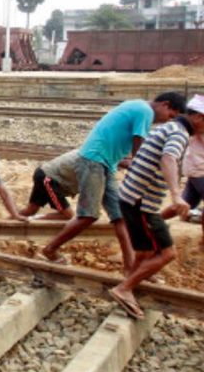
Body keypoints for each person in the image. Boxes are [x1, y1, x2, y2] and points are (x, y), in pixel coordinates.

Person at [39, 92, 186, 269]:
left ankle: (130, 268)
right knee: (88, 215)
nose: (167, 120)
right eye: (170, 115)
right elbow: (138, 148)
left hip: (106, 163)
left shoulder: (138, 106)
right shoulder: (145, 111)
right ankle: (50, 249)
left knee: (120, 218)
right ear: (165, 104)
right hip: (94, 160)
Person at [108, 96, 204, 319]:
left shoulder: (169, 127)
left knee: (146, 250)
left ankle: (131, 280)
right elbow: (168, 158)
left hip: (132, 197)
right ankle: (124, 289)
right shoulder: (179, 134)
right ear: (199, 118)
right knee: (167, 253)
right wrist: (176, 195)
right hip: (141, 202)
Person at [19, 149, 81, 221]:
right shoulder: (88, 159)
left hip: (43, 172)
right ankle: (30, 219)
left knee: (30, 210)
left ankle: (11, 219)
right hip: (48, 178)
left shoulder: (86, 152)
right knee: (69, 215)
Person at [181, 101, 204, 248]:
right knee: (183, 205)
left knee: (183, 205)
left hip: (195, 169)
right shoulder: (195, 128)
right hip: (199, 169)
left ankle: (151, 223)